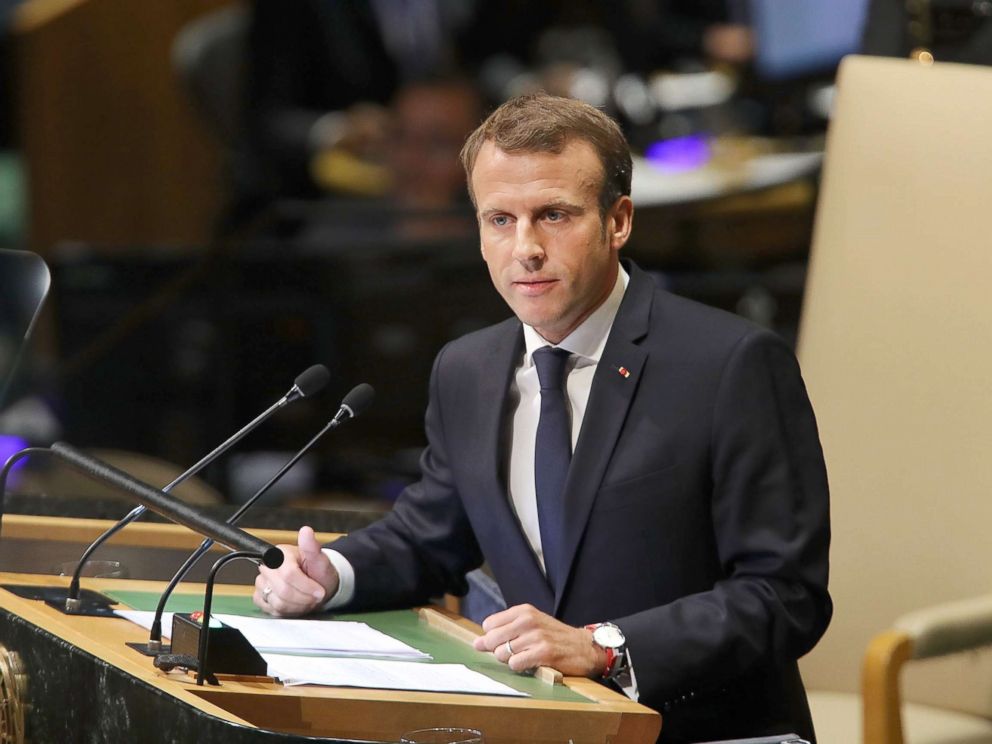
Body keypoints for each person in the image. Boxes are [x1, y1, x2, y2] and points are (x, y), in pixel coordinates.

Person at [254, 93, 831, 744]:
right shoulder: (466, 368)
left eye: (553, 215)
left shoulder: (731, 365)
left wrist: (605, 648)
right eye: (499, 219)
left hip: (697, 730)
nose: (524, 248)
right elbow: (433, 534)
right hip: (531, 725)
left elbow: (784, 595)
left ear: (619, 221)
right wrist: (335, 574)